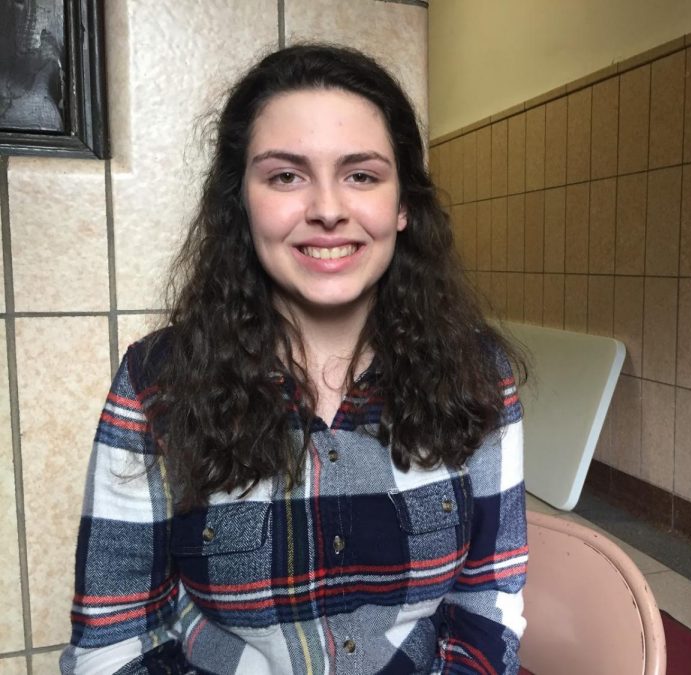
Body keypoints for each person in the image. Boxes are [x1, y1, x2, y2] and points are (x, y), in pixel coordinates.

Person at [60, 44, 527, 675]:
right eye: (286, 176)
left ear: (403, 205)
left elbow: (488, 599)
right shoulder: (157, 382)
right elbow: (115, 641)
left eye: (362, 175)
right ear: (242, 202)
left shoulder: (479, 372)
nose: (328, 209)